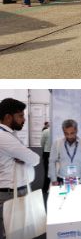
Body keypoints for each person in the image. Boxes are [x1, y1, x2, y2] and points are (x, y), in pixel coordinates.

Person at [0, 98, 40, 239]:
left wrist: (24, 158)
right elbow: (35, 159)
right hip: (10, 194)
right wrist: (26, 158)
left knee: (17, 232)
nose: (24, 119)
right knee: (12, 234)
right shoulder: (4, 137)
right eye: (20, 116)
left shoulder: (10, 134)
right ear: (8, 117)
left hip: (14, 192)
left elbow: (28, 157)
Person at [48, 119, 81, 185]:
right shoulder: (57, 143)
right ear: (63, 131)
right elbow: (52, 161)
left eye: (72, 133)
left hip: (79, 179)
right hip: (61, 179)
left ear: (76, 130)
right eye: (66, 133)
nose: (69, 136)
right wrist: (53, 179)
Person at [41, 121, 50, 189]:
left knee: (47, 170)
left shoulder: (45, 131)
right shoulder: (60, 131)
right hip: (58, 153)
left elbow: (42, 143)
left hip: (47, 152)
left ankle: (46, 187)